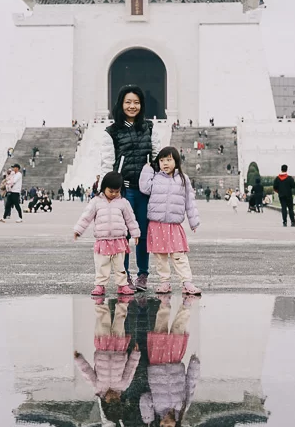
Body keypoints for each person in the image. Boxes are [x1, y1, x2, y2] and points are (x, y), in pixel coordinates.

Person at [100, 85, 161, 292]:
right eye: (128, 102)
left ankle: (143, 274)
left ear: (141, 104)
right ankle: (123, 276)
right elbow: (107, 161)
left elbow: (156, 155)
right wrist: (107, 188)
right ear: (121, 104)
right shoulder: (112, 131)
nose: (132, 106)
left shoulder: (149, 127)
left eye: (136, 102)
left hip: (144, 190)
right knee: (123, 233)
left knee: (143, 233)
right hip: (124, 191)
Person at [139, 146, 201, 295]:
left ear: (176, 161)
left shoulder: (183, 179)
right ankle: (165, 282)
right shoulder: (155, 177)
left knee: (179, 255)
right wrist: (147, 169)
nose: (165, 163)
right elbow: (144, 188)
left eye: (168, 159)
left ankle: (186, 282)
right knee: (160, 257)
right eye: (161, 160)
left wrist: (193, 221)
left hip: (174, 224)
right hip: (156, 224)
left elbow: (189, 201)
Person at [140, 298, 200, 427]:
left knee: (160, 329)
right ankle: (187, 304)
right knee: (178, 330)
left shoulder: (155, 408)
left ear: (159, 424)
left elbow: (144, 398)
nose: (167, 424)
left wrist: (147, 418)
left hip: (157, 363)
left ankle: (164, 303)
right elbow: (190, 385)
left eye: (164, 426)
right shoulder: (183, 407)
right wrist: (194, 366)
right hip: (175, 363)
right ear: (175, 425)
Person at [73, 171, 140, 297]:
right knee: (102, 264)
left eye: (117, 191)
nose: (114, 194)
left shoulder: (123, 202)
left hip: (119, 239)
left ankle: (122, 285)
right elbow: (86, 217)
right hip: (102, 240)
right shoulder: (96, 202)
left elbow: (130, 219)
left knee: (120, 265)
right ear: (104, 188)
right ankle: (100, 285)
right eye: (111, 191)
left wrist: (135, 233)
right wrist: (78, 230)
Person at [74, 301, 141, 411]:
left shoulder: (97, 387)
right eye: (117, 399)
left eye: (111, 400)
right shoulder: (123, 385)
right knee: (120, 321)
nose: (114, 396)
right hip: (119, 349)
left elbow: (86, 371)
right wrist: (135, 355)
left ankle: (100, 303)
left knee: (103, 322)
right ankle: (123, 301)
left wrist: (78, 359)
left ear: (105, 401)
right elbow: (130, 369)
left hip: (103, 348)